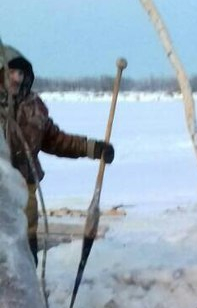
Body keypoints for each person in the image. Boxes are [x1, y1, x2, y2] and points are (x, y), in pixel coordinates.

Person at [0, 45, 115, 265]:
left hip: (26, 193)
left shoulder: (33, 106)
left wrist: (93, 148)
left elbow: (54, 140)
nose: (16, 78)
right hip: (1, 194)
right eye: (11, 72)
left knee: (25, 258)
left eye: (21, 73)